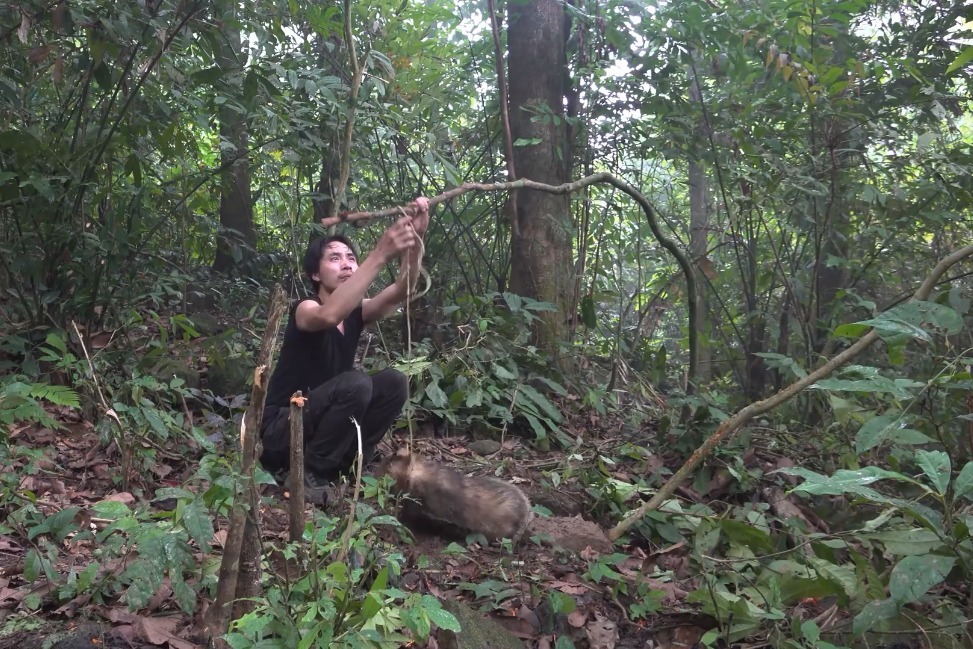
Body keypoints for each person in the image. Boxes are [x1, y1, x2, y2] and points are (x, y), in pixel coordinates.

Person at [259, 197, 431, 506]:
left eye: (351, 257)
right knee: (356, 382)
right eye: (334, 258)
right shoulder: (306, 308)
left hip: (320, 422)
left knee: (394, 382)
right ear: (315, 274)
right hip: (281, 429)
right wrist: (379, 254)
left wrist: (415, 243)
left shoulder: (356, 313)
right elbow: (329, 316)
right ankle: (309, 474)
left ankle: (346, 462)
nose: (347, 263)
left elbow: (402, 291)